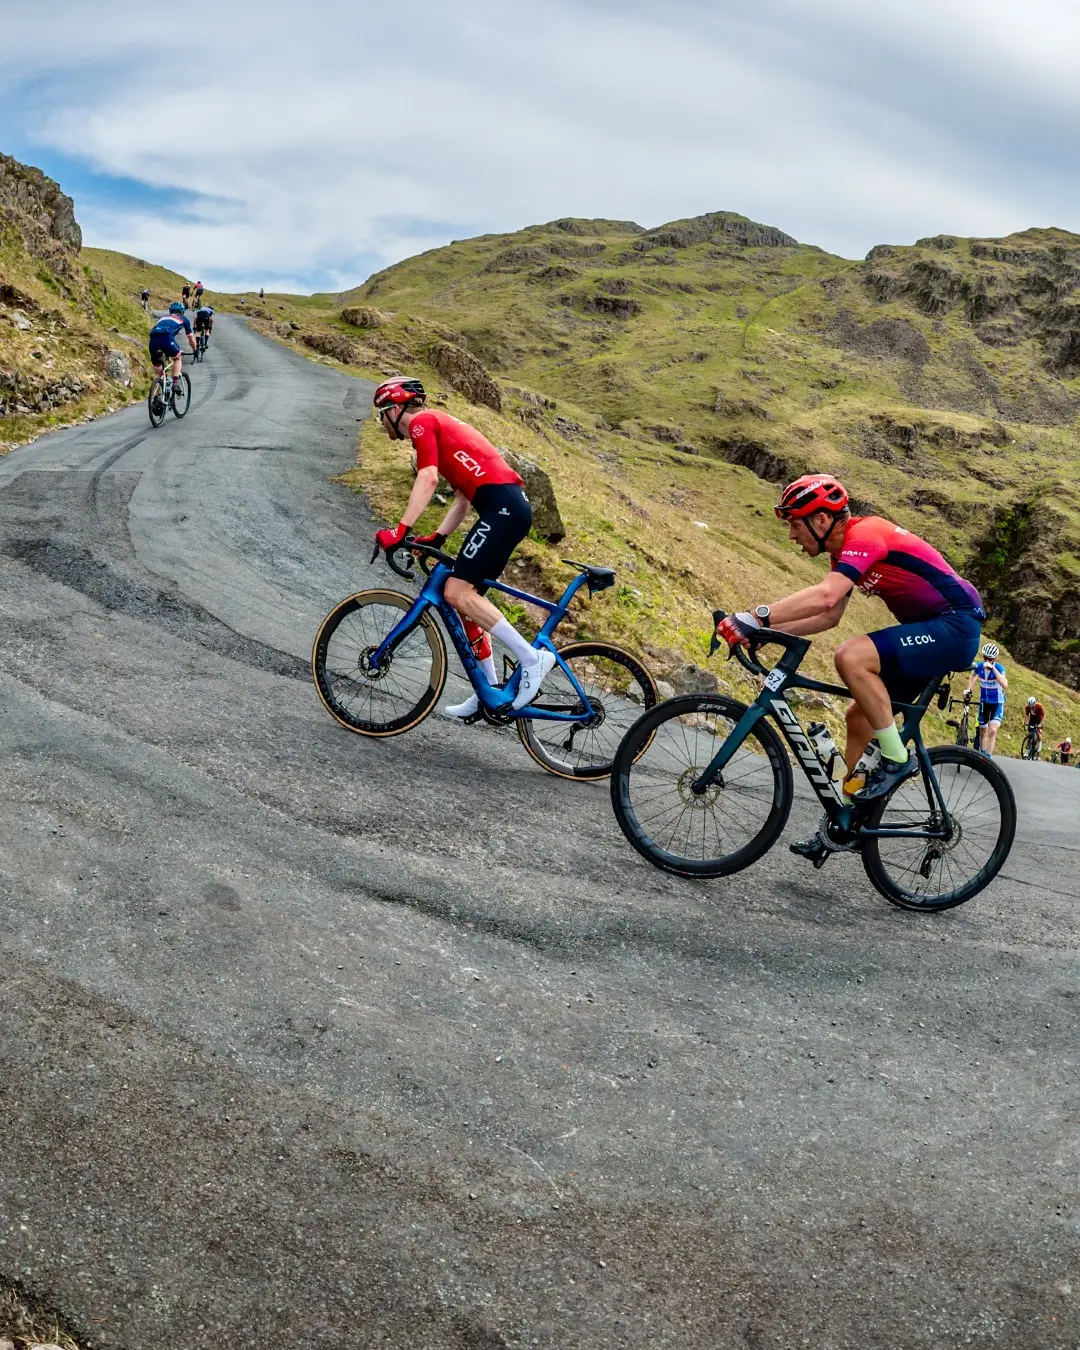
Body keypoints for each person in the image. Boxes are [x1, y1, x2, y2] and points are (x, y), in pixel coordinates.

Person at [713, 474, 985, 848]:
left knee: (851, 656)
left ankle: (896, 758)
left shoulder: (866, 534)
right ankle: (846, 821)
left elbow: (826, 597)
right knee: (859, 717)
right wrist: (766, 631)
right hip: (933, 627)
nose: (792, 536)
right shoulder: (840, 552)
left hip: (955, 625)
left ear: (821, 520)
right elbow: (830, 616)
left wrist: (757, 615)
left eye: (795, 524)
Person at [370, 377, 556, 714]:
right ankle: (488, 692)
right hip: (506, 508)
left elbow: (427, 479)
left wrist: (400, 531)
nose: (381, 423)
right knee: (467, 601)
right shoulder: (440, 425)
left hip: (503, 509)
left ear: (395, 409)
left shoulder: (423, 424)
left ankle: (532, 659)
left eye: (381, 415)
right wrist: (438, 536)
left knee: (456, 592)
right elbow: (461, 500)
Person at [967, 643, 1008, 757]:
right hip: (984, 702)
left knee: (993, 730)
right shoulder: (979, 666)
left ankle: (988, 758)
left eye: (990, 659)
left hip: (997, 703)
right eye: (985, 657)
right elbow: (973, 675)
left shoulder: (999, 668)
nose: (987, 660)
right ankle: (983, 754)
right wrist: (969, 689)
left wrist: (993, 668)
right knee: (983, 731)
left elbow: (1004, 684)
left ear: (994, 659)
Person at [147, 301, 195, 388]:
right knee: (177, 358)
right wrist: (195, 349)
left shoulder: (162, 318)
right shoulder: (183, 319)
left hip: (153, 340)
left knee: (159, 370)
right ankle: (175, 383)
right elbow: (191, 339)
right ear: (182, 312)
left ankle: (158, 391)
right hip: (166, 338)